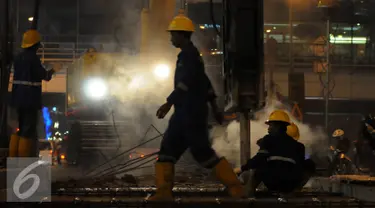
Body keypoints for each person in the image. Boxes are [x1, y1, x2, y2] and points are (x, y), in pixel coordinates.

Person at [149, 12, 245, 201]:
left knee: (202, 153)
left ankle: (236, 188)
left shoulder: (189, 56)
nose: (171, 38)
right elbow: (206, 83)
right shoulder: (192, 56)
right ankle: (163, 193)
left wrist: (168, 102)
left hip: (190, 114)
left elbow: (186, 82)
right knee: (167, 151)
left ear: (183, 35)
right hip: (185, 113)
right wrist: (215, 107)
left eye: (173, 34)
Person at [9, 29, 61, 158]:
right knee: (28, 130)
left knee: (21, 129)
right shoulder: (33, 59)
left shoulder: (18, 57)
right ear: (35, 44)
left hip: (18, 99)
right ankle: (24, 162)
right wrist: (54, 69)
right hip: (30, 100)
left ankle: (13, 158)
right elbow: (44, 76)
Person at [233, 110, 306, 197]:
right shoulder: (299, 146)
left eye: (271, 125)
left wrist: (241, 169)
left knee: (257, 166)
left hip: (273, 182)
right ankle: (293, 193)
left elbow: (258, 159)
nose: (268, 128)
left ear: (278, 126)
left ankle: (249, 196)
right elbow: (301, 168)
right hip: (290, 185)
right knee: (307, 165)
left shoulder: (268, 139)